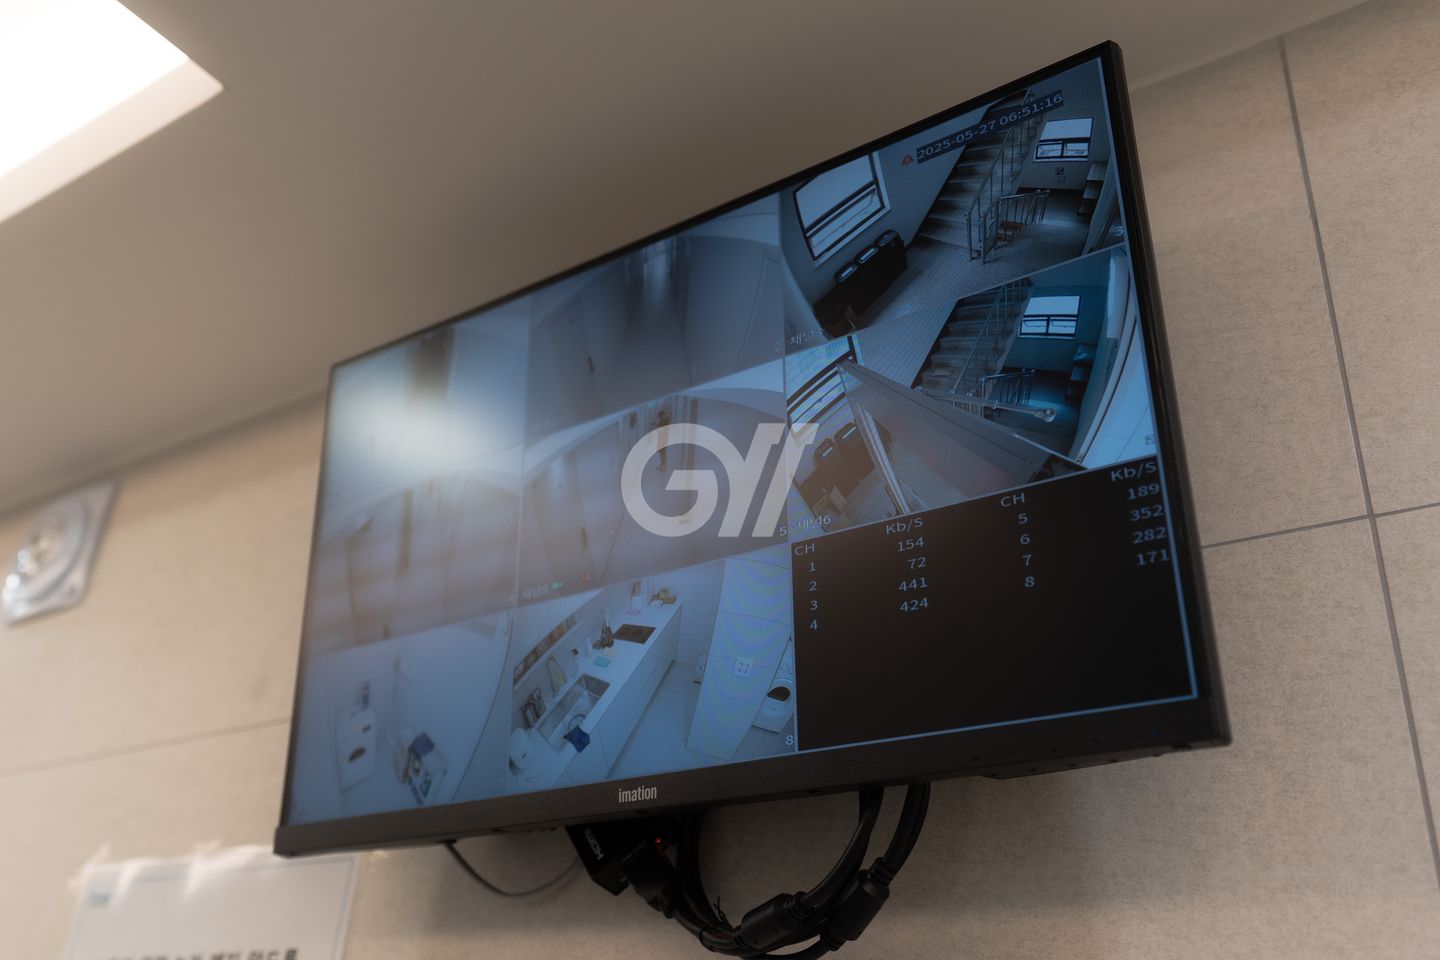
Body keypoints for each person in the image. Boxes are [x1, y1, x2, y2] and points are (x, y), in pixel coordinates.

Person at [655, 407, 671, 471]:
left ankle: (664, 465)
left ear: (662, 416)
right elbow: (660, 427)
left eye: (660, 417)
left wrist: (658, 427)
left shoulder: (666, 420)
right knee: (661, 452)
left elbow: (664, 429)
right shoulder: (662, 420)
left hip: (664, 438)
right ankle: (661, 464)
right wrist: (657, 425)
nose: (659, 418)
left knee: (663, 452)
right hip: (660, 438)